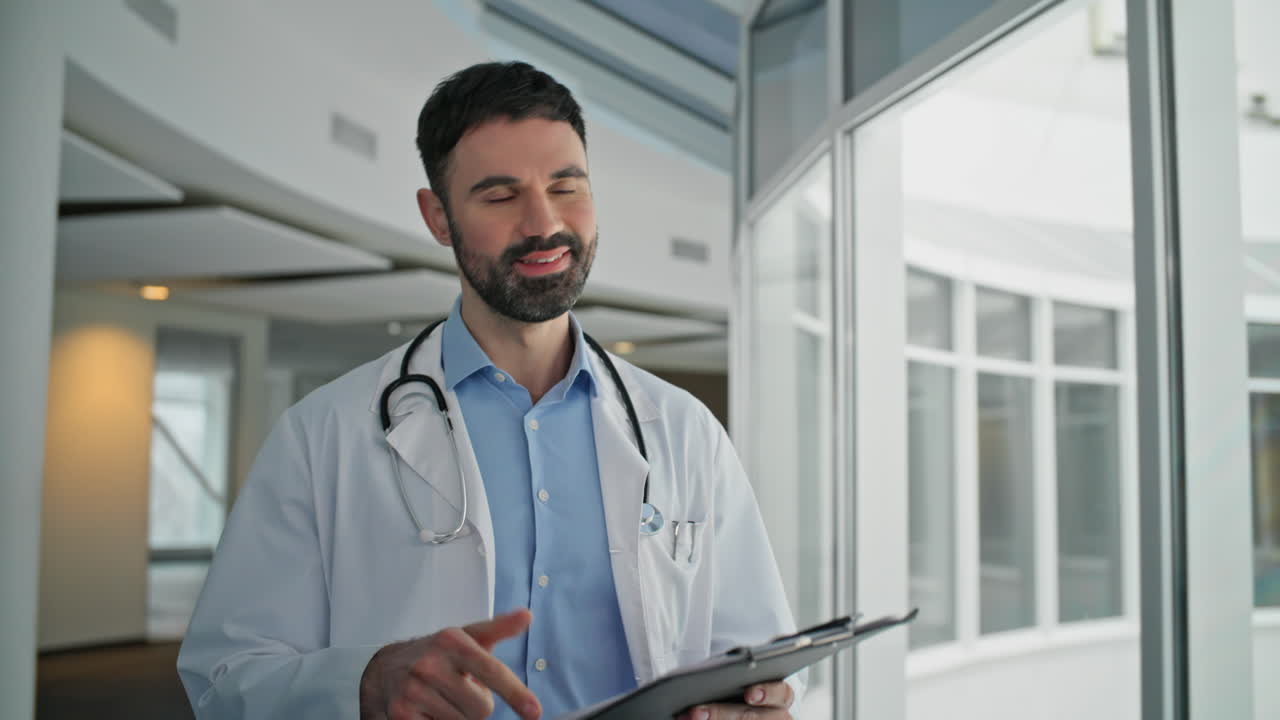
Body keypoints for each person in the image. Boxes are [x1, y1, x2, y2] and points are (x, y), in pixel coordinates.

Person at [177, 61, 802, 720]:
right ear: (438, 216)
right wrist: (361, 683)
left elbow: (756, 653)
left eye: (567, 186)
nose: (543, 224)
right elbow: (225, 680)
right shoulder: (322, 435)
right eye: (501, 196)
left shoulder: (685, 430)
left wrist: (757, 703)